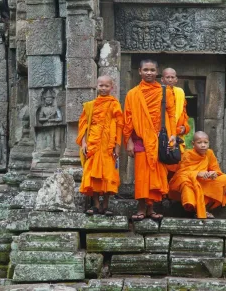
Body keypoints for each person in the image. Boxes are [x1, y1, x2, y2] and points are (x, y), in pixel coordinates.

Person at [123, 59, 177, 221]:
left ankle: (151, 209)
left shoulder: (165, 91)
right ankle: (140, 208)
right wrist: (128, 141)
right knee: (141, 175)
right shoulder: (133, 94)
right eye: (146, 70)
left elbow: (172, 115)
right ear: (139, 71)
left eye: (152, 70)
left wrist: (173, 134)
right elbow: (128, 119)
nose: (149, 73)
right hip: (140, 139)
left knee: (155, 174)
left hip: (159, 140)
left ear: (157, 72)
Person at [76, 75, 124, 216]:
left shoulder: (114, 104)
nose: (103, 88)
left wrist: (117, 146)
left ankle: (106, 205)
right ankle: (96, 205)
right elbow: (84, 126)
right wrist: (84, 143)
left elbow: (120, 126)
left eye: (106, 86)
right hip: (93, 145)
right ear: (96, 86)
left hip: (108, 146)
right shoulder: (90, 106)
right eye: (101, 86)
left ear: (111, 87)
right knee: (93, 175)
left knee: (108, 175)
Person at [168, 131, 226, 219]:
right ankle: (197, 209)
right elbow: (181, 173)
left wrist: (214, 173)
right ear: (193, 144)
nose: (203, 145)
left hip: (203, 182)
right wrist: (197, 173)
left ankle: (204, 207)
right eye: (199, 142)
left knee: (224, 179)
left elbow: (216, 169)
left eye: (205, 142)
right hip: (191, 181)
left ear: (209, 143)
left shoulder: (209, 153)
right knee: (184, 181)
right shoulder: (187, 154)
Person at [161, 68, 190, 152]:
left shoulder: (180, 93)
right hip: (163, 134)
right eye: (167, 77)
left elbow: (183, 114)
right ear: (162, 79)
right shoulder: (158, 92)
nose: (170, 80)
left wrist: (185, 128)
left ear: (176, 79)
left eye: (172, 77)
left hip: (178, 135)